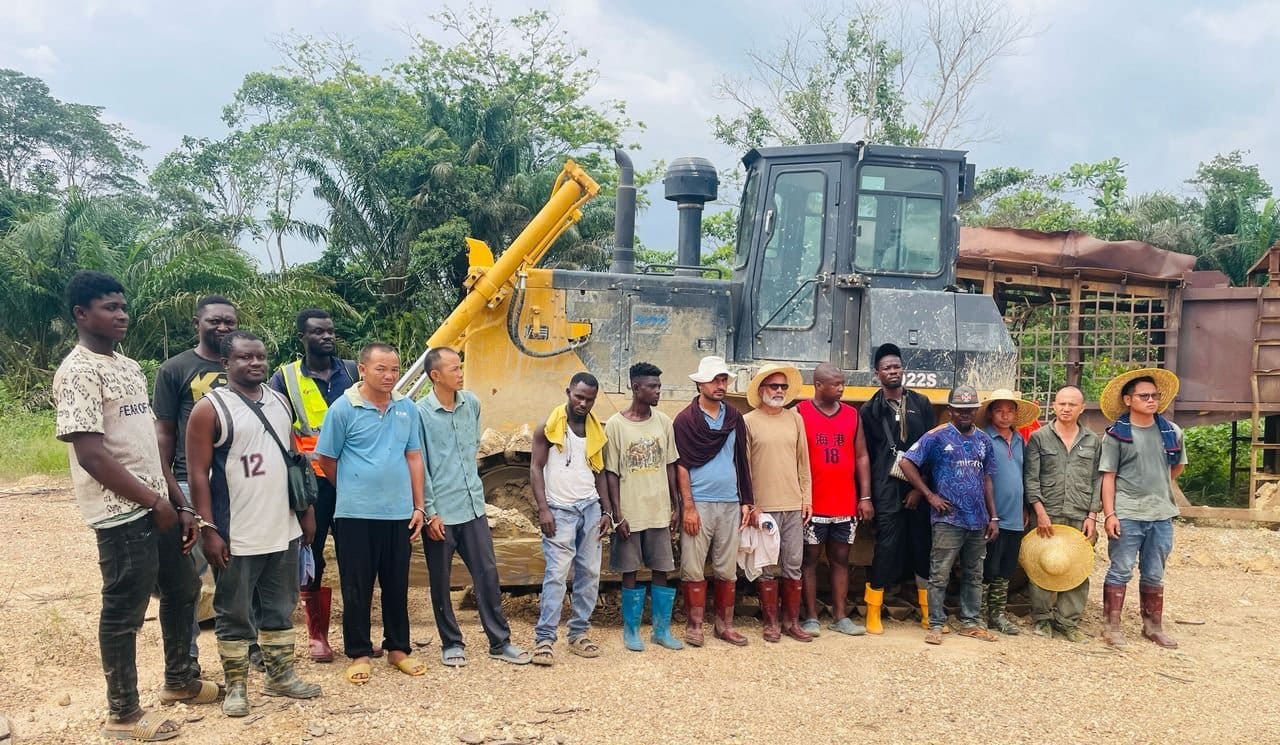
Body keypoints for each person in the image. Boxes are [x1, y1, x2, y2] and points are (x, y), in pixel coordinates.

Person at [54, 271, 217, 742]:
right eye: (109, 307)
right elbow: (92, 454)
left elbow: (148, 445)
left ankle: (180, 681)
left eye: (123, 306)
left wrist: (179, 503)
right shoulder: (78, 371)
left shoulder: (126, 365)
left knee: (184, 590)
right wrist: (152, 502)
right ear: (81, 315)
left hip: (158, 506)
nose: (121, 314)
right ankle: (123, 714)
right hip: (120, 513)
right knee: (123, 610)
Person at [186, 331, 322, 717]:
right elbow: (197, 474)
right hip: (237, 531)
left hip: (282, 527)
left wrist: (306, 509)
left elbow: (294, 458)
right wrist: (208, 529)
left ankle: (280, 675)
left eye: (260, 357)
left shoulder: (280, 400)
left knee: (280, 607)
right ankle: (236, 686)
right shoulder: (210, 410)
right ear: (225, 364)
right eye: (245, 358)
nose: (255, 363)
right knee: (234, 611)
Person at [314, 342, 428, 684]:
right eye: (381, 369)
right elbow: (326, 459)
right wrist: (351, 488)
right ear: (362, 369)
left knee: (397, 584)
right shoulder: (343, 409)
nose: (390, 376)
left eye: (394, 369)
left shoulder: (407, 408)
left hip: (399, 513)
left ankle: (397, 650)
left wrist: (419, 505)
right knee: (357, 586)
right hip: (355, 514)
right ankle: (359, 653)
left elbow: (414, 457)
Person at [416, 346, 531, 667]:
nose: (461, 372)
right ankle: (451, 642)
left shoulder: (472, 405)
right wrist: (429, 511)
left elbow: (471, 456)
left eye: (460, 366)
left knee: (487, 575)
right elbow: (419, 464)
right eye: (453, 368)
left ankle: (500, 641)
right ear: (435, 376)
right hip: (440, 513)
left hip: (473, 509)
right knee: (440, 582)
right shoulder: (420, 414)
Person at [153, 294, 239, 672]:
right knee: (188, 580)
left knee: (236, 575)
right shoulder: (175, 369)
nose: (222, 327)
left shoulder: (244, 366)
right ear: (197, 323)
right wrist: (171, 492)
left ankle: (240, 653)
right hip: (190, 483)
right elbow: (164, 434)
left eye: (229, 322)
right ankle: (186, 662)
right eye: (214, 321)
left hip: (237, 486)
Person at [269, 308, 358, 663]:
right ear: (301, 338)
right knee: (312, 554)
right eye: (318, 332)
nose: (327, 336)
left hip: (353, 480)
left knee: (356, 557)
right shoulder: (285, 378)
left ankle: (358, 634)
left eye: (330, 331)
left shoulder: (352, 371)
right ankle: (317, 636)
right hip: (312, 484)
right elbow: (278, 428)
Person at [899, 385, 1000, 645]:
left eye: (969, 409)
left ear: (976, 410)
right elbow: (906, 462)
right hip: (948, 518)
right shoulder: (937, 437)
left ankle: (970, 621)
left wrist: (994, 516)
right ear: (950, 411)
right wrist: (928, 494)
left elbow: (988, 478)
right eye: (959, 409)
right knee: (940, 572)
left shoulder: (984, 441)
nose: (965, 413)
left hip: (977, 519)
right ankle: (935, 623)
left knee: (974, 573)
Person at [1098, 368, 1186, 649]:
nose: (1151, 400)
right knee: (1120, 569)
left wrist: (1156, 486)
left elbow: (1177, 467)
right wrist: (1110, 513)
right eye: (1144, 396)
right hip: (1127, 513)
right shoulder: (1116, 435)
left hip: (1161, 513)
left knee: (1154, 572)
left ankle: (1152, 626)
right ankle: (1111, 627)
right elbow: (1108, 476)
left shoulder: (1171, 433)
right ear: (1128, 400)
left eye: (1155, 396)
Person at [673, 356, 756, 647]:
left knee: (727, 568)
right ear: (700, 384)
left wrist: (747, 500)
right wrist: (688, 507)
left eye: (724, 380)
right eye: (715, 380)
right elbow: (681, 465)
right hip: (700, 503)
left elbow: (741, 461)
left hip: (730, 503)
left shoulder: (734, 418)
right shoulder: (685, 420)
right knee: (693, 566)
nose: (721, 385)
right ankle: (694, 626)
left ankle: (724, 625)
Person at [528, 373, 609, 665]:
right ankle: (545, 639)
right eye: (579, 396)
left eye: (589, 399)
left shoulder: (596, 431)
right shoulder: (548, 428)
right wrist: (543, 509)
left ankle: (578, 634)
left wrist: (607, 511)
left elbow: (599, 472)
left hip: (590, 508)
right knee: (557, 575)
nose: (583, 403)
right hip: (559, 510)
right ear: (568, 392)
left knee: (589, 573)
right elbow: (536, 469)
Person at [603, 362, 684, 653]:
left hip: (658, 509)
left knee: (662, 568)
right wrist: (617, 514)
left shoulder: (664, 422)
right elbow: (610, 472)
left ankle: (661, 630)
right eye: (653, 386)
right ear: (637, 388)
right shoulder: (615, 425)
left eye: (659, 386)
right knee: (630, 571)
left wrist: (676, 505)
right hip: (630, 512)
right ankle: (632, 631)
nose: (658, 391)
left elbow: (671, 465)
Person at [859, 343, 937, 634]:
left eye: (897, 366)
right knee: (887, 546)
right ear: (877, 374)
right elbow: (865, 453)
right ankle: (873, 611)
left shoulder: (922, 403)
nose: (893, 371)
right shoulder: (870, 410)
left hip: (918, 485)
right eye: (887, 368)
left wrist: (922, 487)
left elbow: (931, 448)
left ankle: (929, 612)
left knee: (921, 545)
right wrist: (866, 495)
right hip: (885, 486)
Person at [796, 362, 872, 637]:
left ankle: (840, 616)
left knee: (841, 559)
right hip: (812, 504)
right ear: (818, 385)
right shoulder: (800, 412)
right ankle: (811, 617)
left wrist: (865, 497)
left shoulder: (852, 414)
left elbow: (862, 456)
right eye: (836, 384)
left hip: (844, 503)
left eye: (843, 383)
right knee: (809, 560)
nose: (842, 388)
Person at [1024, 385, 1101, 642]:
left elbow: (1096, 480)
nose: (1066, 409)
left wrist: (1092, 516)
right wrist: (1039, 510)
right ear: (1054, 406)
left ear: (1081, 408)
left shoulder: (1092, 441)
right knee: (1044, 563)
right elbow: (1031, 478)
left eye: (1072, 405)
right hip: (1048, 512)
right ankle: (1042, 617)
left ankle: (1068, 621)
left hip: (1079, 513)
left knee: (1077, 566)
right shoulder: (1039, 438)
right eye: (1061, 404)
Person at [743, 363, 813, 643]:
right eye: (774, 386)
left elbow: (803, 462)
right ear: (761, 390)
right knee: (768, 565)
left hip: (793, 504)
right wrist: (752, 504)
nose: (780, 391)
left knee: (793, 564)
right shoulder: (748, 421)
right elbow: (744, 468)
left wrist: (806, 498)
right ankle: (771, 623)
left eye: (783, 387)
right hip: (765, 506)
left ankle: (792, 622)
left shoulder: (795, 419)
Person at [978, 389, 1038, 636]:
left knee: (1006, 566)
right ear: (991, 413)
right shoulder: (983, 439)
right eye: (999, 410)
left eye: (1009, 411)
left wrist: (1024, 506)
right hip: (991, 516)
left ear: (1015, 414)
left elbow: (1023, 477)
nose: (1004, 415)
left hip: (1014, 516)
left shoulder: (1020, 442)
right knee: (986, 565)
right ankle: (977, 613)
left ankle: (998, 614)